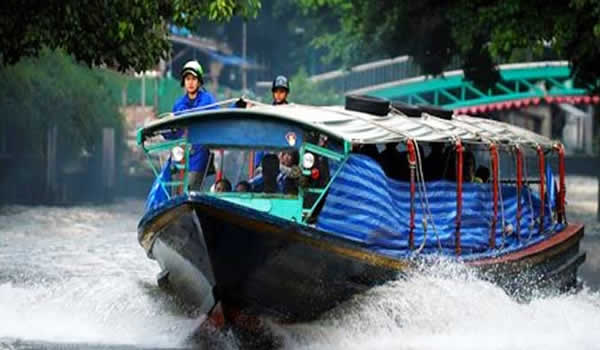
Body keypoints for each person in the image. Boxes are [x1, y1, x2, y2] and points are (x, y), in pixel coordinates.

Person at [169, 60, 218, 190]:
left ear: (199, 81)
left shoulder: (208, 100)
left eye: (194, 79)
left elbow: (219, 120)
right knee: (174, 189)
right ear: (184, 82)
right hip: (180, 156)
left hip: (200, 154)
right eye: (187, 79)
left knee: (190, 187)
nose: (190, 83)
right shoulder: (178, 104)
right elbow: (171, 134)